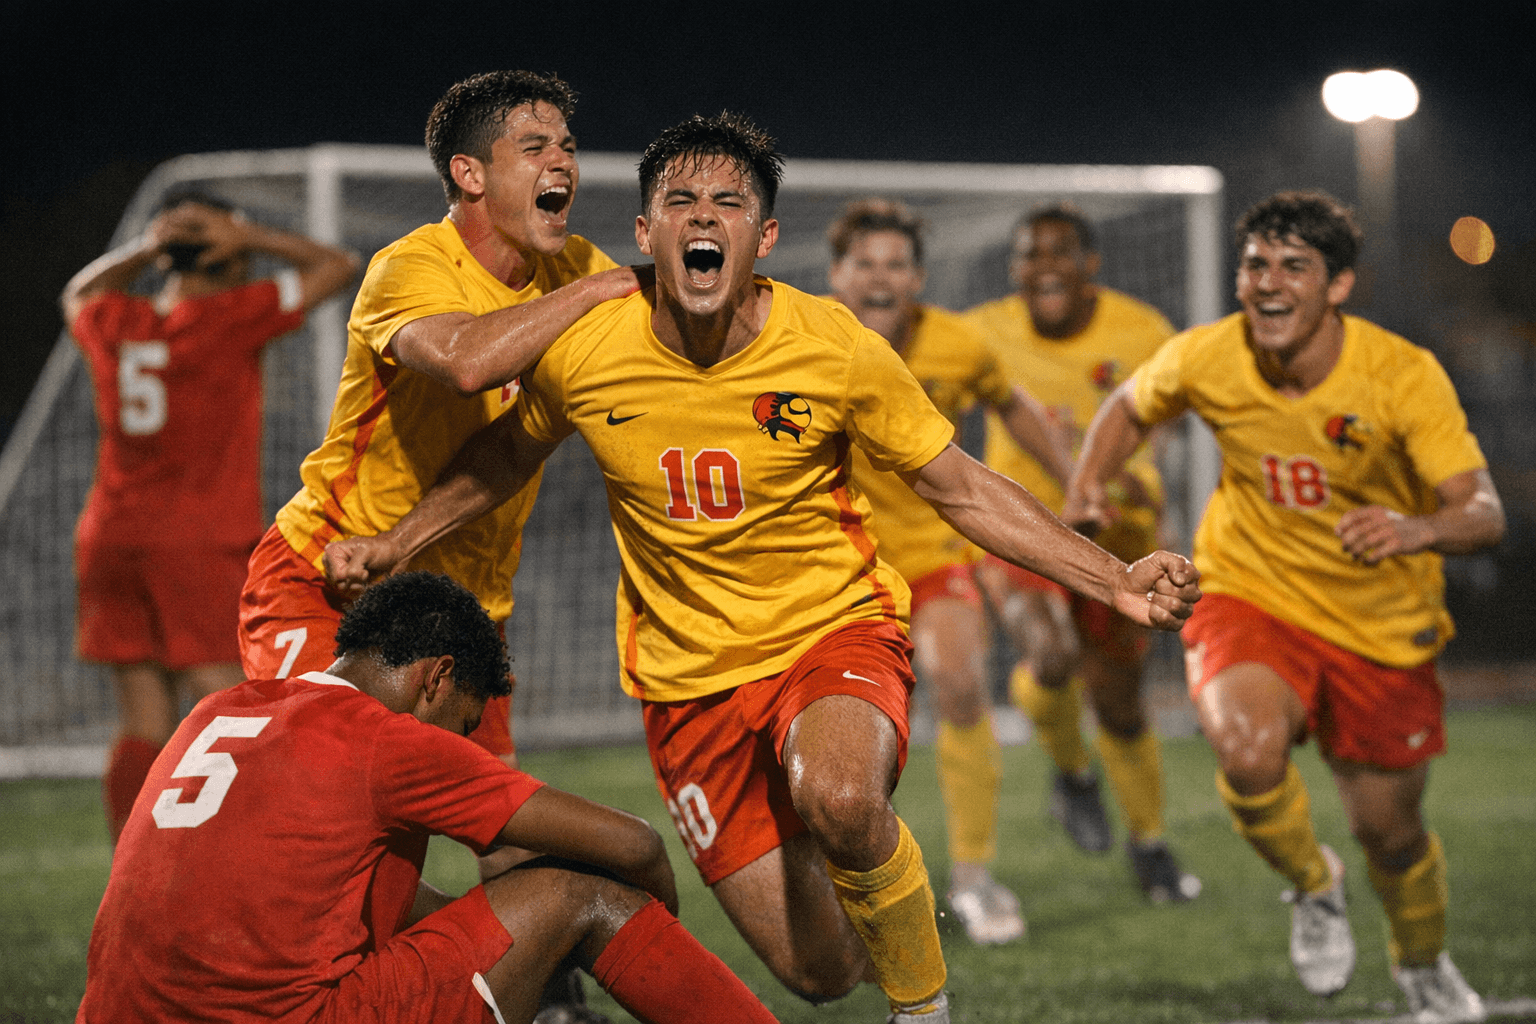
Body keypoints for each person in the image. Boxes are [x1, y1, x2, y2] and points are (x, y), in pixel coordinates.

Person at [326, 112, 1202, 1022]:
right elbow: (507, 455)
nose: (704, 218)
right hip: (687, 683)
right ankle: (890, 905)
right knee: (819, 972)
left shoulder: (835, 345)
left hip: (830, 631)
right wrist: (396, 544)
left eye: (729, 203)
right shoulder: (588, 345)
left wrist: (1112, 578)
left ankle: (926, 1005)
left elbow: (963, 488)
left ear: (765, 236)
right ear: (645, 232)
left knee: (839, 792)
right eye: (680, 201)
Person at [1064, 191, 1503, 1023]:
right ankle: (1312, 885)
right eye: (1255, 265)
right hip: (1247, 591)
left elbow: (1483, 512)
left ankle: (1422, 962)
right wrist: (1089, 483)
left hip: (1380, 625)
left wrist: (1416, 528)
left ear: (1337, 286)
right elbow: (1129, 406)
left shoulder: (1401, 375)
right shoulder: (1207, 355)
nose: (1266, 284)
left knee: (1392, 835)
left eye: (1292, 267)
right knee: (1246, 747)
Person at [76, 570, 779, 1024]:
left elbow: (357, 897)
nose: (464, 742)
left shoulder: (221, 709)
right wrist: (647, 931)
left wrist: (539, 958)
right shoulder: (385, 740)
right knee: (586, 894)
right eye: (466, 725)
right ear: (436, 678)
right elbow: (635, 845)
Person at [236, 69, 645, 770]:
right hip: (333, 579)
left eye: (569, 147)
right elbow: (465, 361)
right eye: (535, 147)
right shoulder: (412, 265)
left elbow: (517, 444)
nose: (563, 164)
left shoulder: (576, 266)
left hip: (465, 615)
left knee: (498, 833)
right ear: (471, 174)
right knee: (319, 799)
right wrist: (613, 286)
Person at [60, 190, 358, 843]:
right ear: (225, 255)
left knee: (142, 717)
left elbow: (76, 293)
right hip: (197, 539)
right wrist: (249, 237)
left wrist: (148, 246)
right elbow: (336, 265)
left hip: (110, 537)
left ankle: (133, 871)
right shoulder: (229, 315)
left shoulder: (118, 319)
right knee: (228, 702)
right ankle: (233, 864)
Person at [825, 198, 1075, 945]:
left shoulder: (958, 345)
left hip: (933, 555)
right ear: (836, 273)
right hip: (827, 568)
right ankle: (834, 880)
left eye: (895, 263)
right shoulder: (798, 340)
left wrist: (1074, 479)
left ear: (918, 278)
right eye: (864, 262)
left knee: (964, 683)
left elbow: (1015, 404)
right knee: (839, 737)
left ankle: (973, 878)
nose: (880, 276)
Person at [963, 205, 1201, 902]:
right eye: (1029, 253)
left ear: (1090, 262)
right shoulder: (981, 331)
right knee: (1049, 652)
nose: (1044, 265)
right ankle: (1073, 773)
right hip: (1023, 529)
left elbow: (1161, 429)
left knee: (1121, 703)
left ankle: (1150, 844)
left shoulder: (1143, 330)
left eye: (1061, 251)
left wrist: (1127, 477)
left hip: (1122, 533)